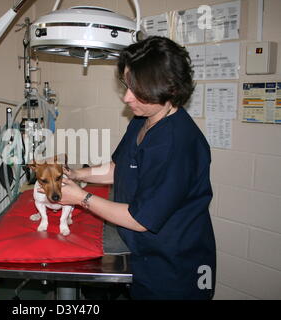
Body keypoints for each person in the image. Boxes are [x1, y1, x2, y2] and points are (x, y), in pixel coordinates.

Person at [59, 36, 216, 300]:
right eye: (126, 85)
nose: (127, 97)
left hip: (175, 269)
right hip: (144, 258)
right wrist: (76, 174)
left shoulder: (178, 144)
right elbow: (120, 167)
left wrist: (81, 197)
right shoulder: (145, 117)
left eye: (138, 90)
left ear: (171, 90)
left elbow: (140, 219)